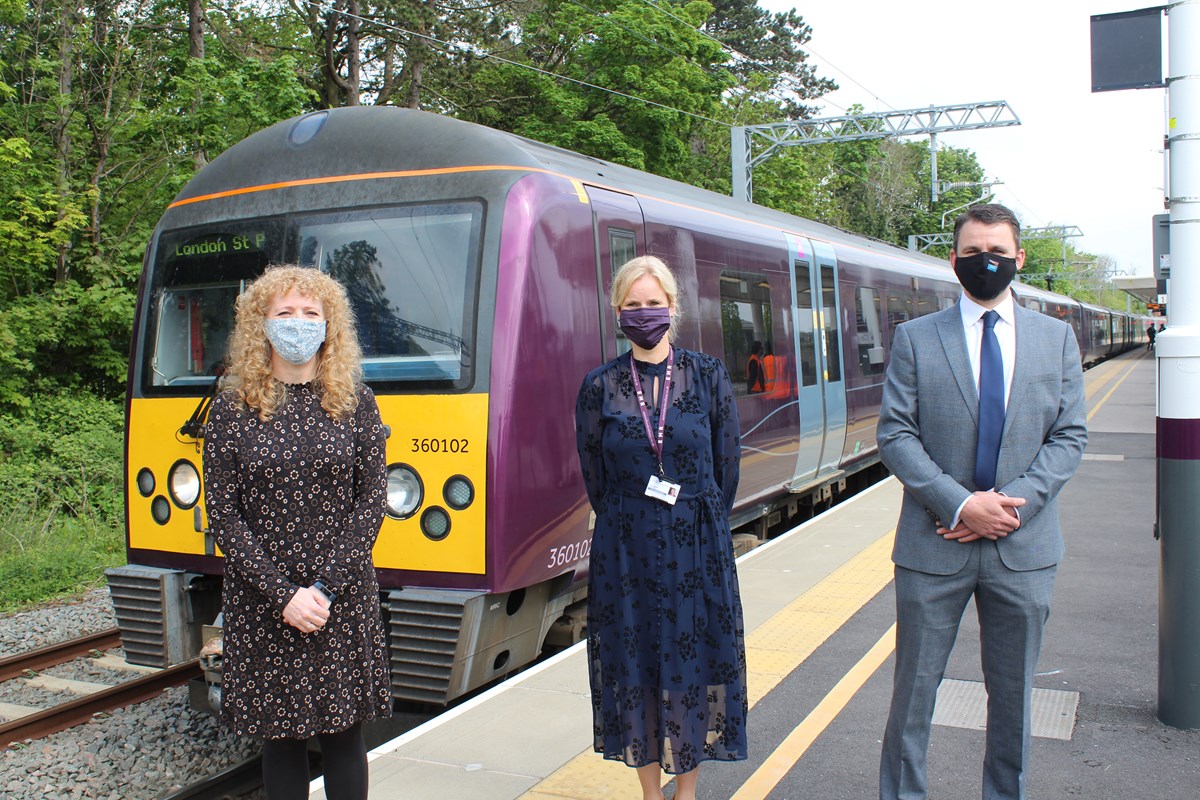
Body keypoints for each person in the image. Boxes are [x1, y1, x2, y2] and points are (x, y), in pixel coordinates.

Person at [876, 204, 1087, 800]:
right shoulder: (917, 338)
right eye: (971, 252)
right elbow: (895, 434)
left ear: (1019, 259)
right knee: (913, 696)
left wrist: (1008, 507)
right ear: (954, 261)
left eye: (996, 250)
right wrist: (961, 504)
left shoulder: (1057, 339)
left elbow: (1069, 436)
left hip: (1023, 546)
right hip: (933, 544)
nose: (984, 261)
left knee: (1015, 699)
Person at [203, 265, 390, 800]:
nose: (298, 323)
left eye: (311, 313)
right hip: (264, 599)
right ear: (259, 324)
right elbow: (224, 515)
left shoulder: (355, 402)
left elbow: (370, 502)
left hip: (342, 595)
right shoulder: (232, 410)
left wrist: (324, 589)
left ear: (330, 325)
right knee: (279, 740)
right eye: (284, 313)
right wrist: (284, 595)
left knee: (343, 735)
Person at [575, 255, 747, 800]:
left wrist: (696, 517)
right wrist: (635, 518)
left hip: (697, 545)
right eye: (632, 304)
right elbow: (593, 476)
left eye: (654, 303)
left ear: (673, 308)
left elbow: (727, 466)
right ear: (616, 312)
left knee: (691, 665)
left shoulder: (709, 374)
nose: (644, 313)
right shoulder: (598, 387)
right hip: (626, 552)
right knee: (637, 666)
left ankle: (687, 789)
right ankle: (652, 791)